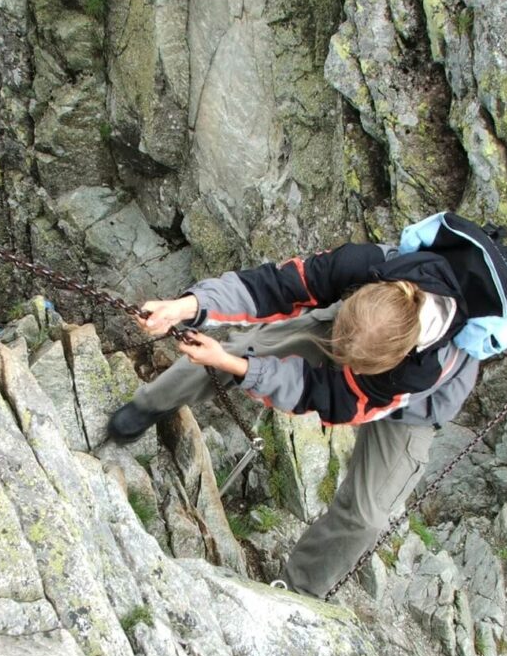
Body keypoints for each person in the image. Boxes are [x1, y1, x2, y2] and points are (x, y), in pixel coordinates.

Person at [106, 241, 480, 599]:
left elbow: (330, 399)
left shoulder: (423, 371)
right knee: (245, 347)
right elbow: (273, 286)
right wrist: (189, 306)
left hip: (411, 410)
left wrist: (236, 368)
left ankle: (298, 590)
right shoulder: (364, 265)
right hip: (356, 332)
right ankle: (150, 404)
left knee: (367, 515)